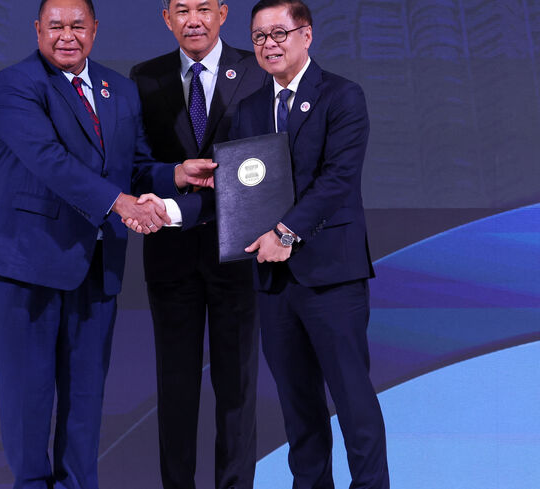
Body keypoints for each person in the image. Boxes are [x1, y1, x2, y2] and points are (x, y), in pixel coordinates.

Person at [0, 0, 214, 487]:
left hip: (98, 261)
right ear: (37, 29)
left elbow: (133, 164)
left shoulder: (119, 89)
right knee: (30, 396)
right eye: (56, 26)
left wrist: (174, 174)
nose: (67, 35)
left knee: (85, 399)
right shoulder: (17, 84)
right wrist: (122, 204)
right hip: (29, 262)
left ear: (95, 30)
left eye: (78, 26)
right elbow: (49, 160)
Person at [233, 1, 390, 488]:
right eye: (259, 37)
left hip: (332, 277)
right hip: (274, 282)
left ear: (307, 35)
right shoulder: (248, 109)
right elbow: (244, 188)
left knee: (353, 405)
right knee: (298, 410)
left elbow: (337, 179)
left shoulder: (342, 96)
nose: (269, 45)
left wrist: (285, 233)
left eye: (279, 33)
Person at [127, 1, 269, 488]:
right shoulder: (144, 78)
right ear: (166, 18)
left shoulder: (255, 71)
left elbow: (268, 161)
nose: (194, 19)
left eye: (204, 8)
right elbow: (134, 164)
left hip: (239, 252)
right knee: (176, 390)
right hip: (170, 258)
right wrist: (171, 175)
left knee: (237, 389)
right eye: (181, 9)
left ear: (223, 13)